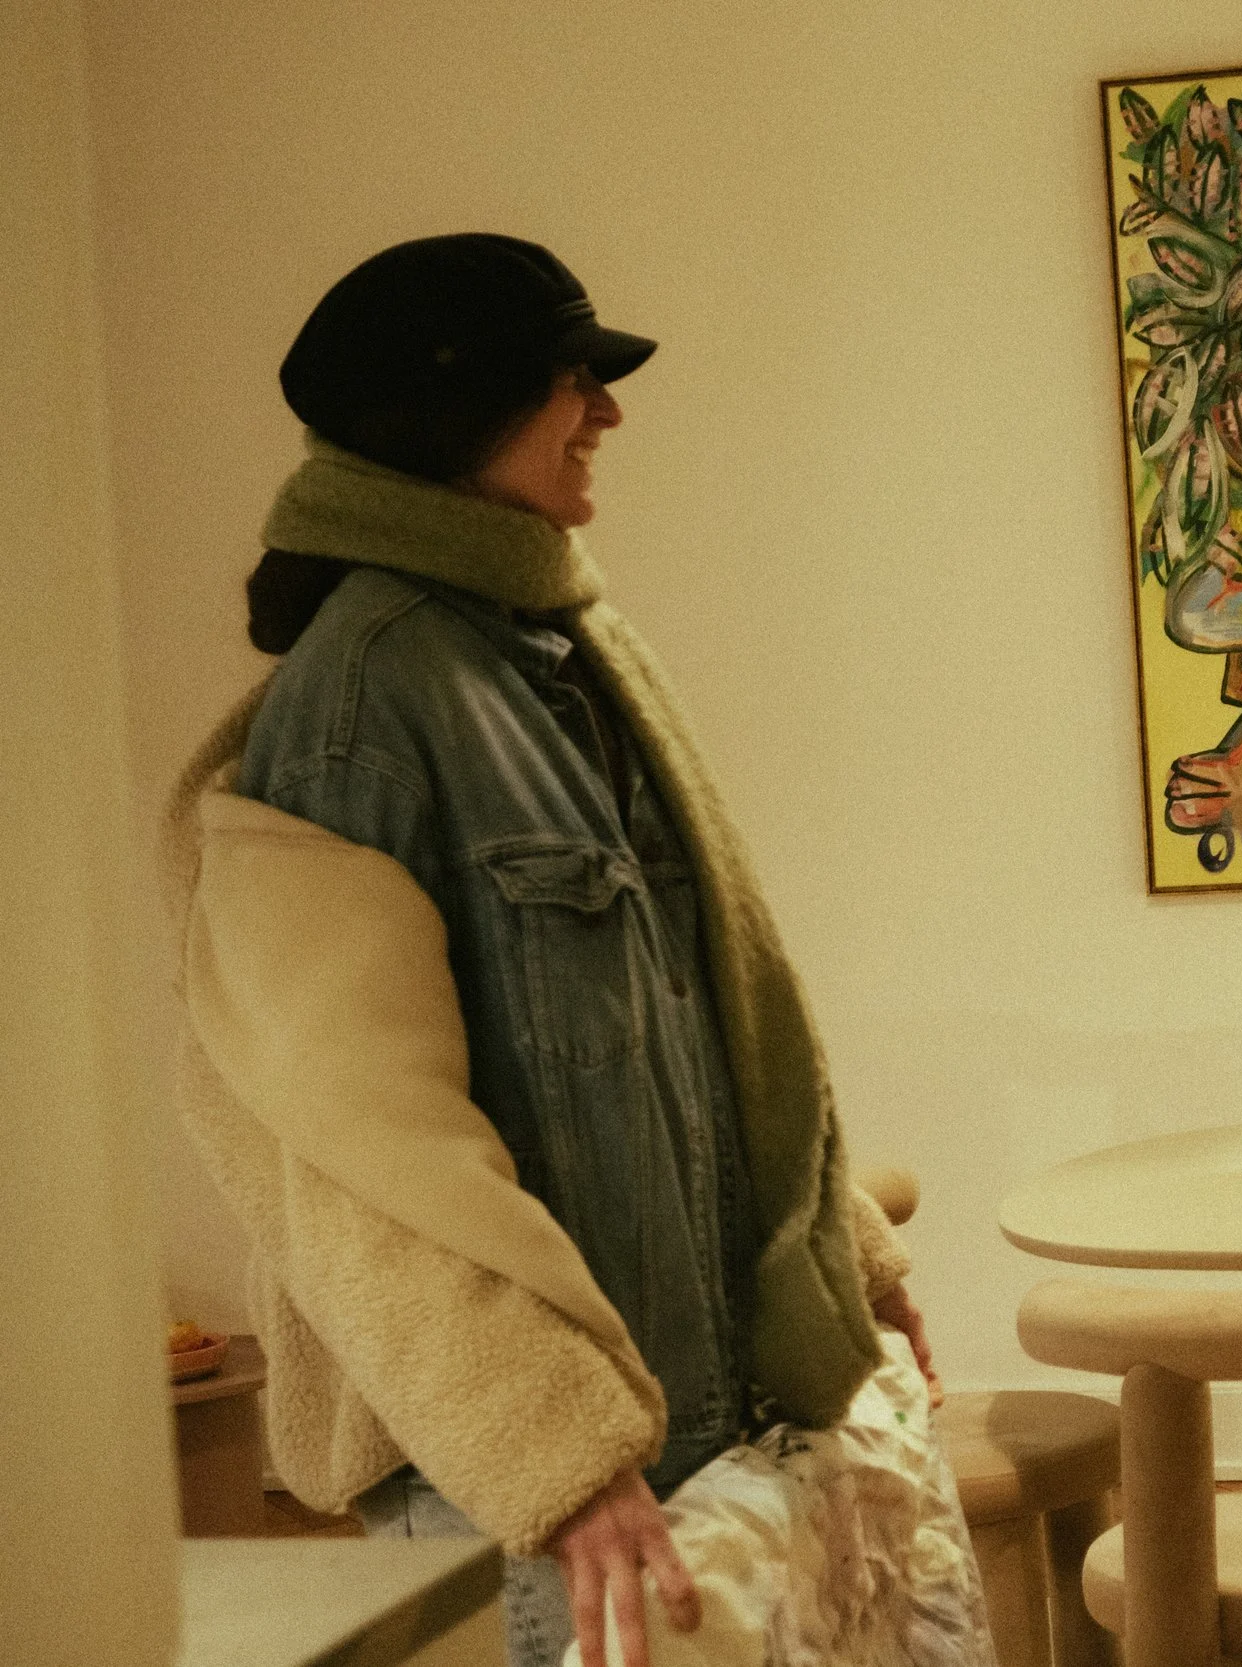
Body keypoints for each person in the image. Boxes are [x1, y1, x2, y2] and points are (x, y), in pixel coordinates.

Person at [166, 234, 950, 1667]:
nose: (607, 412)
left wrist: (848, 1258)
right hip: (544, 1492)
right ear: (450, 409)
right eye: (573, 379)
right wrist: (556, 1450)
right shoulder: (365, 699)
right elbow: (353, 1165)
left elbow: (719, 1017)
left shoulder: (560, 645)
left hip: (694, 1434)